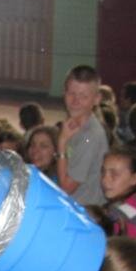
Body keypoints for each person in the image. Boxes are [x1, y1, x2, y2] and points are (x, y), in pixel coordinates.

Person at [56, 64, 109, 206]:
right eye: (71, 94)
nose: (75, 101)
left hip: (83, 210)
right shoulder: (74, 126)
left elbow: (66, 188)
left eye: (83, 96)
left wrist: (61, 144)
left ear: (97, 99)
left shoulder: (89, 137)